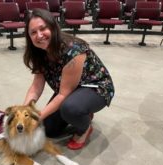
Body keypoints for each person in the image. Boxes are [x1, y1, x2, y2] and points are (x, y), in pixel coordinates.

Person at [23, 9, 115, 150]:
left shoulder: (73, 50)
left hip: (95, 86)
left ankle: (84, 128)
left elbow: (63, 94)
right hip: (69, 87)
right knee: (49, 129)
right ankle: (82, 110)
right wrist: (24, 111)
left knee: (70, 109)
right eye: (33, 32)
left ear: (52, 26)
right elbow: (36, 87)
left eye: (43, 28)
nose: (39, 35)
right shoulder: (39, 53)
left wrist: (37, 117)